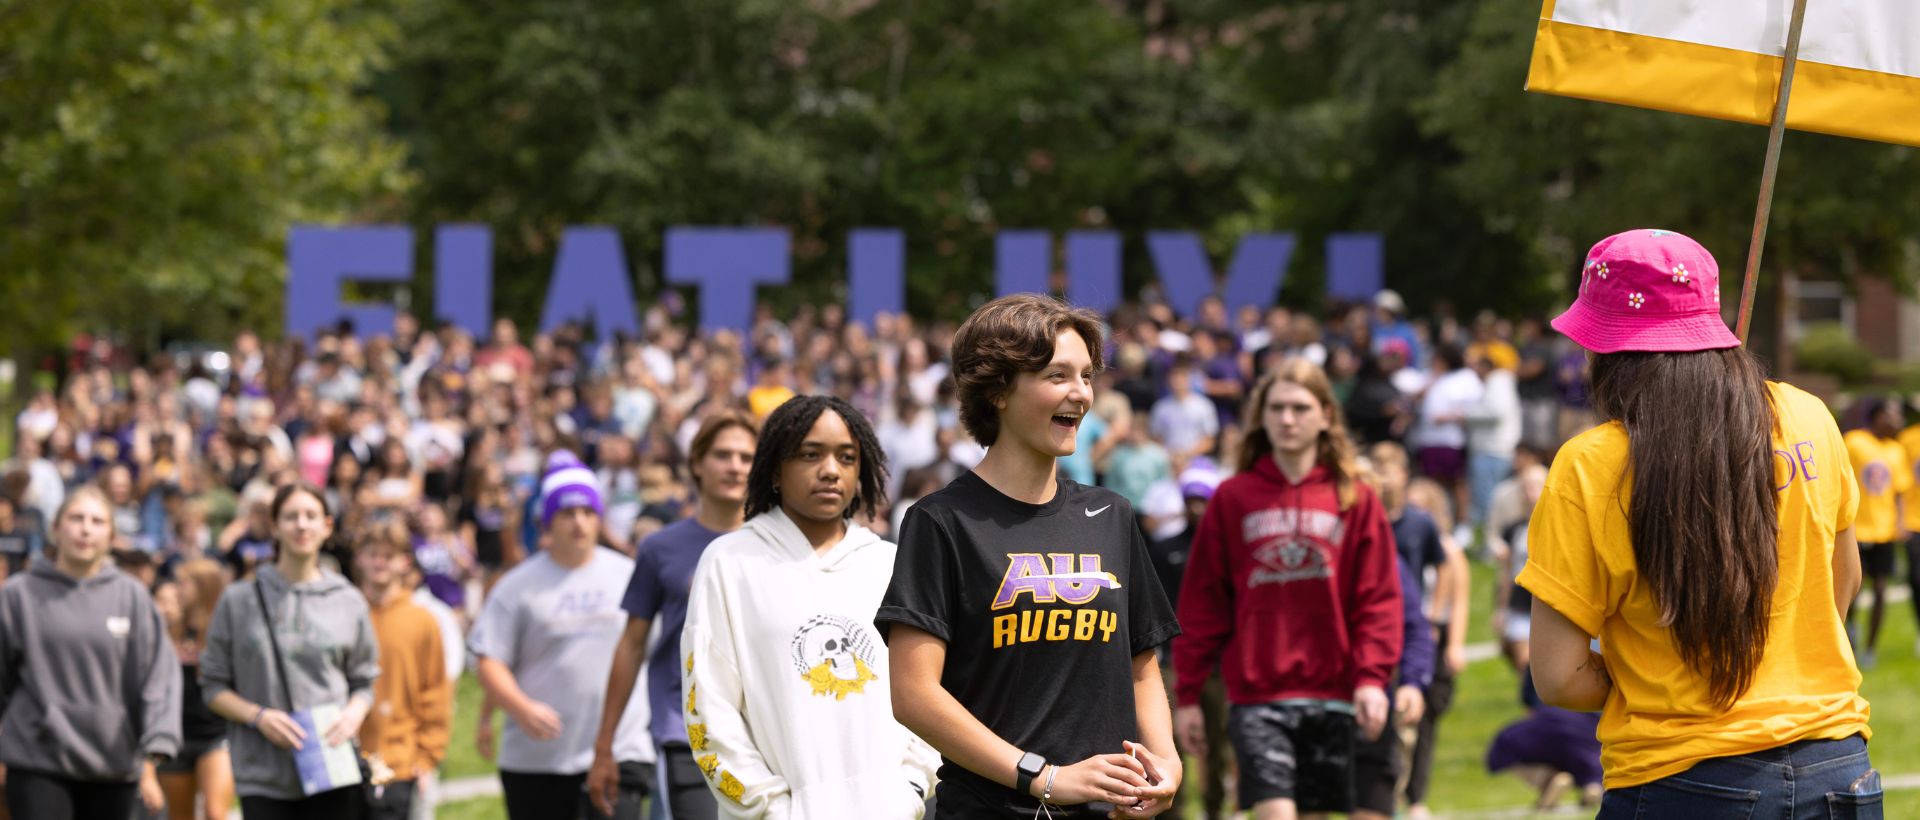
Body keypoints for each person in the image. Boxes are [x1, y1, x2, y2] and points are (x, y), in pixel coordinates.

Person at [1522, 229, 1876, 817]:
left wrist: (1651, 675)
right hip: (1837, 769)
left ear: (1605, 347)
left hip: (1682, 780)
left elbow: (1560, 677)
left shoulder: (1590, 463)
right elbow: (1843, 586)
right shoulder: (1810, 417)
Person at [880, 294, 1183, 819]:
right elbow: (913, 694)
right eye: (1057, 375)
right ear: (998, 389)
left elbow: (1141, 668)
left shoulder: (1112, 515)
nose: (1080, 394)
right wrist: (1043, 777)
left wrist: (1167, 766)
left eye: (1086, 375)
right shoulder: (941, 522)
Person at [677, 396, 938, 817]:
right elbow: (708, 710)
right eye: (810, 454)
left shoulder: (890, 564)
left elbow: (932, 691)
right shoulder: (728, 562)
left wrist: (909, 788)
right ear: (776, 469)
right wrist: (774, 810)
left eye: (847, 457)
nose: (831, 470)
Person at [1172, 358, 1404, 820]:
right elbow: (1202, 604)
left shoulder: (1354, 496)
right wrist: (1189, 694)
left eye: (1300, 407)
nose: (1288, 419)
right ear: (1261, 416)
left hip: (1335, 693)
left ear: (1325, 415)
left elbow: (1378, 599)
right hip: (1259, 696)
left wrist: (1373, 677)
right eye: (1276, 408)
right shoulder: (1232, 498)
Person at [590, 411, 758, 820]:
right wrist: (604, 745)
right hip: (687, 730)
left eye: (745, 456)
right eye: (722, 455)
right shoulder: (659, 548)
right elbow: (631, 646)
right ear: (697, 464)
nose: (735, 465)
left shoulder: (777, 543)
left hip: (764, 728)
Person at [469, 450, 654, 820]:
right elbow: (488, 658)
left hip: (620, 750)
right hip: (538, 760)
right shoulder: (516, 586)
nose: (579, 523)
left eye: (588, 513)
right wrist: (520, 709)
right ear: (546, 522)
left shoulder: (628, 575)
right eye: (567, 513)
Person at [200, 482, 381, 819]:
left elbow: (364, 680)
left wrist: (352, 715)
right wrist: (258, 717)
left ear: (327, 526)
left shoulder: (348, 600)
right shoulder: (239, 600)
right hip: (264, 776)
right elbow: (212, 686)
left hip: (333, 767)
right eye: (291, 516)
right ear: (274, 526)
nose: (301, 525)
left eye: (311, 516)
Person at [0, 486, 182, 820]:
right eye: (76, 518)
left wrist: (158, 739)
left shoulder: (133, 597)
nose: (86, 529)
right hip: (37, 760)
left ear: (112, 535)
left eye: (97, 521)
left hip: (114, 765)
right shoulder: (18, 595)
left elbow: (159, 676)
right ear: (56, 528)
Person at [355, 520, 453, 820]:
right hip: (347, 761)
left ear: (405, 561)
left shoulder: (423, 620)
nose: (379, 562)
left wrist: (428, 755)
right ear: (360, 559)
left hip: (400, 760)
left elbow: (436, 690)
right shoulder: (348, 611)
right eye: (372, 554)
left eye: (388, 555)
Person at [156, 559, 236, 820]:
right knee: (179, 816)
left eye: (183, 583)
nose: (176, 589)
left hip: (216, 733)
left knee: (215, 812)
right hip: (175, 735)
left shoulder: (224, 630)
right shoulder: (169, 628)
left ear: (203, 586)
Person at [1842, 395, 1909, 669]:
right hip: (1857, 530)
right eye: (1892, 414)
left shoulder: (1896, 450)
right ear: (1877, 416)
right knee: (1852, 590)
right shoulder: (1855, 442)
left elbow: (1899, 491)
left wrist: (1901, 522)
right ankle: (1851, 631)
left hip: (1884, 533)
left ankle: (1870, 649)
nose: (1898, 420)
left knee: (1881, 590)